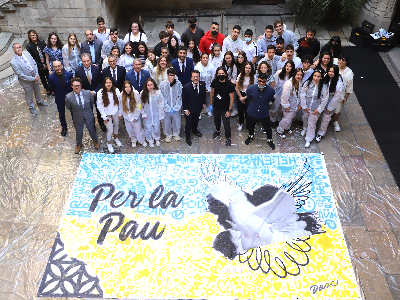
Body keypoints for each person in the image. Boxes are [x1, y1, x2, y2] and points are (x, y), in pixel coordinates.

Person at [10, 43, 49, 115]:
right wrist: (33, 79)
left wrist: (37, 75)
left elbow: (34, 63)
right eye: (16, 48)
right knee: (29, 94)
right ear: (13, 50)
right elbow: (21, 75)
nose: (19, 49)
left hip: (35, 77)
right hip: (26, 82)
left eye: (19, 47)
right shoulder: (13, 62)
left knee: (37, 90)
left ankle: (39, 101)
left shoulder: (26, 53)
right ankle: (31, 107)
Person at [65, 77, 100, 154]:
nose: (77, 87)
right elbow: (69, 107)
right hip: (77, 118)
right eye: (75, 85)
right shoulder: (68, 97)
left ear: (81, 85)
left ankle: (95, 141)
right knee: (79, 132)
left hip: (88, 116)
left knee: (92, 130)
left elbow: (91, 103)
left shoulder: (88, 93)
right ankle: (79, 144)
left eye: (78, 85)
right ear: (72, 86)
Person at [75, 53, 106, 132]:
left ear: (91, 60)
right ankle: (92, 125)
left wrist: (95, 91)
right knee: (89, 111)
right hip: (86, 95)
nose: (86, 63)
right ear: (81, 61)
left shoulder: (97, 69)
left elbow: (100, 82)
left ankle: (101, 123)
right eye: (84, 61)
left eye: (88, 61)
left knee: (99, 109)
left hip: (97, 93)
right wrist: (87, 92)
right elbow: (78, 85)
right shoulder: (78, 71)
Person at [244, 73, 276, 150]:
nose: (261, 83)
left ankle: (269, 139)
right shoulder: (250, 89)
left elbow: (271, 99)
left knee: (267, 127)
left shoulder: (271, 90)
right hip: (252, 111)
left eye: (263, 81)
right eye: (259, 81)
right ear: (257, 80)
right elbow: (248, 97)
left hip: (264, 112)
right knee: (250, 126)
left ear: (267, 81)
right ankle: (251, 135)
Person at [300, 69, 329, 148]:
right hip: (307, 107)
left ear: (321, 77)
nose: (316, 78)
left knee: (312, 123)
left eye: (318, 76)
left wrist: (318, 109)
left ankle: (308, 139)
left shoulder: (324, 87)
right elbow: (302, 94)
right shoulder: (307, 83)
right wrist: (304, 106)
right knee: (305, 118)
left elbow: (324, 100)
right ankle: (304, 128)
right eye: (315, 76)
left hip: (315, 109)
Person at [316, 65, 344, 142]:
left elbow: (336, 97)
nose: (330, 73)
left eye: (333, 72)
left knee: (326, 116)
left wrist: (330, 107)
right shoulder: (325, 76)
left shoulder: (338, 82)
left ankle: (321, 133)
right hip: (323, 96)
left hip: (331, 99)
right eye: (329, 71)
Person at [210, 67, 235, 146]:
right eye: (219, 74)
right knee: (216, 121)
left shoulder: (229, 84)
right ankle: (218, 131)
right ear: (217, 74)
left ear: (225, 74)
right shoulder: (214, 82)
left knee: (226, 124)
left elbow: (232, 98)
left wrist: (229, 110)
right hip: (216, 106)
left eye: (222, 73)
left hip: (225, 108)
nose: (221, 75)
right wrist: (211, 104)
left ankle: (228, 138)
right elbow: (212, 93)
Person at [276, 68, 304, 139]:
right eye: (298, 75)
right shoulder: (288, 84)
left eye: (301, 75)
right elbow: (284, 96)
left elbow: (301, 94)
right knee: (286, 120)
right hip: (288, 106)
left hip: (295, 105)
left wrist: (300, 104)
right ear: (294, 74)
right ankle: (280, 130)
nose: (299, 76)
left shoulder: (300, 82)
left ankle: (287, 128)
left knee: (291, 118)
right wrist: (286, 105)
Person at [97, 77, 123, 153]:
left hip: (115, 112)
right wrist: (104, 116)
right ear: (104, 84)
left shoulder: (116, 90)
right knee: (110, 130)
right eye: (107, 83)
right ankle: (109, 143)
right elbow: (99, 106)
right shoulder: (100, 92)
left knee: (116, 125)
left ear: (112, 83)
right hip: (107, 114)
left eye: (110, 82)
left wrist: (120, 113)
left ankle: (116, 138)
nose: (108, 84)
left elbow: (120, 102)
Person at [48, 60, 73, 136]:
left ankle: (76, 122)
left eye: (59, 66)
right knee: (61, 114)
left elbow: (72, 86)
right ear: (53, 68)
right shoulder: (51, 77)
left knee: (74, 111)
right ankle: (64, 127)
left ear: (62, 66)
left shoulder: (69, 75)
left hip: (69, 97)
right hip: (59, 98)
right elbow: (52, 88)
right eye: (56, 67)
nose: (58, 68)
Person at [182, 70, 206, 146]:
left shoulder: (202, 84)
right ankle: (188, 137)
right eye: (194, 77)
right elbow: (184, 100)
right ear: (191, 77)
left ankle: (195, 130)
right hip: (189, 109)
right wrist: (185, 109)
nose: (196, 78)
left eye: (197, 76)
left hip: (198, 108)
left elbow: (203, 95)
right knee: (189, 123)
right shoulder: (186, 87)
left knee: (196, 121)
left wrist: (204, 103)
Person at [120, 80, 147, 148]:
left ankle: (141, 140)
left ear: (131, 87)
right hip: (127, 116)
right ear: (124, 88)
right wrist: (129, 118)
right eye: (126, 87)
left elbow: (138, 106)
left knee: (138, 129)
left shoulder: (136, 93)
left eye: (129, 87)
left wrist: (135, 117)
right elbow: (122, 107)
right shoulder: (121, 95)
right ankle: (133, 139)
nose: (127, 89)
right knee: (130, 129)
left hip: (136, 115)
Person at [140, 78, 165, 148]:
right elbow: (140, 105)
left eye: (151, 84)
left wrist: (160, 114)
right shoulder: (143, 93)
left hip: (156, 114)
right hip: (147, 115)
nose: (150, 86)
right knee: (148, 128)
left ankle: (157, 139)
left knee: (156, 127)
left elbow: (161, 103)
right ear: (146, 86)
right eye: (148, 85)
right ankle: (150, 140)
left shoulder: (158, 92)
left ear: (154, 85)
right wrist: (143, 113)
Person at [332, 53, 353, 132]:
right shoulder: (335, 65)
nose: (340, 61)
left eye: (343, 60)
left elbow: (349, 86)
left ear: (346, 62)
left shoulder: (349, 73)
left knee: (337, 109)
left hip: (341, 94)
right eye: (340, 59)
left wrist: (346, 97)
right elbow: (329, 58)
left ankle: (335, 121)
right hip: (330, 91)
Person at [160, 68, 182, 142]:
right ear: (167, 75)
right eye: (170, 75)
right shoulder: (163, 84)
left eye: (173, 75)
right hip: (166, 108)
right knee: (166, 122)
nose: (172, 77)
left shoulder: (178, 83)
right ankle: (168, 134)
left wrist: (176, 106)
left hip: (176, 107)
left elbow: (180, 95)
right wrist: (166, 106)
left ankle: (176, 134)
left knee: (177, 121)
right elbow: (161, 96)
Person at [270, 61, 295, 127]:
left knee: (282, 107)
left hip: (286, 93)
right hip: (278, 92)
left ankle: (279, 119)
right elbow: (274, 82)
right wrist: (273, 93)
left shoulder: (292, 75)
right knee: (275, 106)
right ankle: (273, 119)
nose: (288, 68)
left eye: (290, 66)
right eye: (287, 66)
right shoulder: (279, 72)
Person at [26, 30, 51, 95]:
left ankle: (51, 88)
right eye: (32, 35)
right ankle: (47, 89)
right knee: (43, 79)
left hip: (46, 63)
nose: (34, 36)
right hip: (38, 66)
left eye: (34, 34)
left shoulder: (42, 42)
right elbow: (32, 58)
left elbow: (46, 52)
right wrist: (41, 65)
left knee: (49, 77)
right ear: (29, 37)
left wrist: (46, 63)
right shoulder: (29, 46)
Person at [236, 61, 256, 131]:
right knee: (240, 110)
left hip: (249, 96)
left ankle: (248, 124)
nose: (247, 70)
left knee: (248, 111)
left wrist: (245, 98)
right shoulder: (240, 75)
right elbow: (237, 87)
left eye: (249, 68)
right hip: (240, 94)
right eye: (246, 68)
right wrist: (241, 97)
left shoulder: (254, 77)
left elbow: (254, 90)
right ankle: (241, 123)